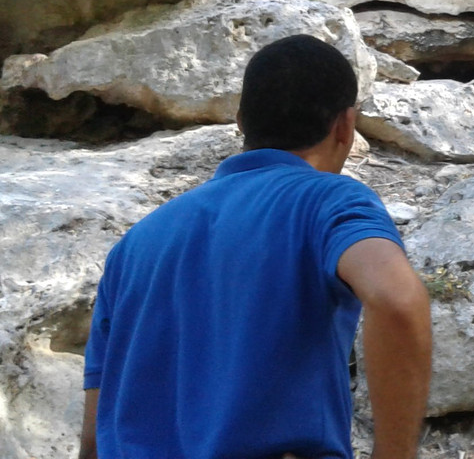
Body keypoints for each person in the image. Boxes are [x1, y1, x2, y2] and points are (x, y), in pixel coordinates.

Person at [79, 34, 432, 459]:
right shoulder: (330, 201)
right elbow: (397, 300)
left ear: (242, 121)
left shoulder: (134, 245)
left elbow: (93, 437)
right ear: (345, 125)